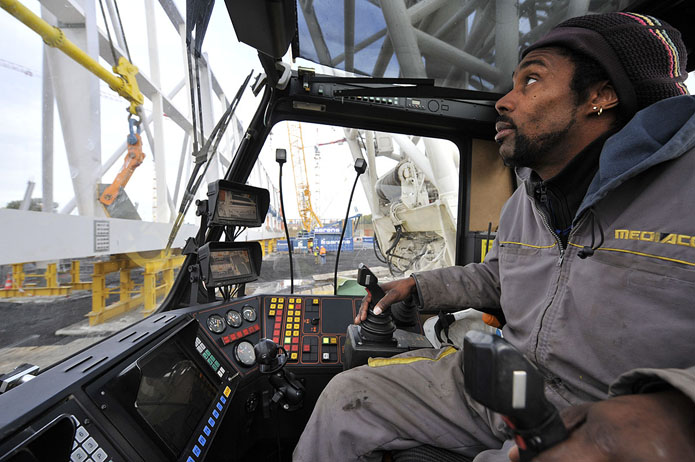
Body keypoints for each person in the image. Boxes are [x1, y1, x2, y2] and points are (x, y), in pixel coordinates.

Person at [294, 12, 695, 462]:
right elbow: (501, 276)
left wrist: (673, 411)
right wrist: (418, 286)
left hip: (603, 417)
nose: (504, 101)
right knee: (346, 398)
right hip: (510, 383)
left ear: (600, 96)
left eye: (531, 81)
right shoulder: (526, 198)